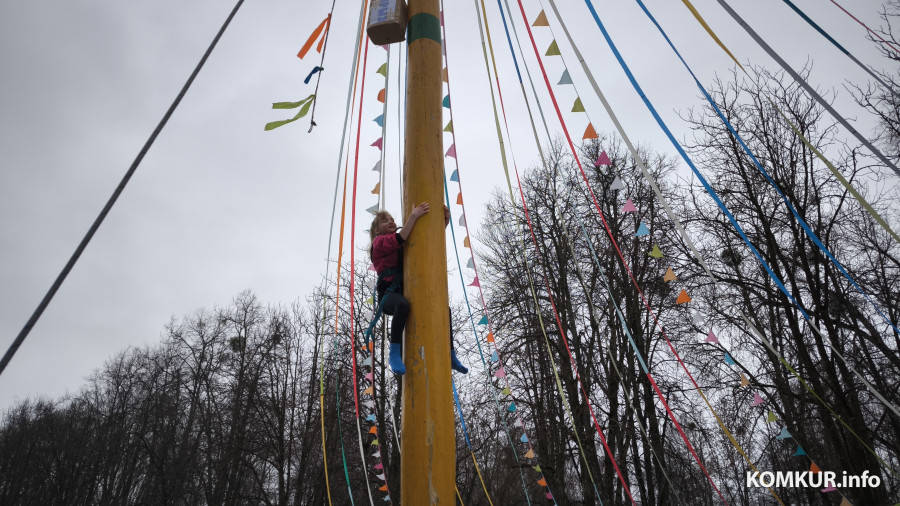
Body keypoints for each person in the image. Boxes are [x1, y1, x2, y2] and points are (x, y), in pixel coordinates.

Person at [369, 202, 468, 375]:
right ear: (377, 230)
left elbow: (421, 243)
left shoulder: (400, 243)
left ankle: (450, 353)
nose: (391, 221)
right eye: (385, 221)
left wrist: (441, 223)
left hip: (405, 292)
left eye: (392, 219)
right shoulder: (379, 243)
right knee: (402, 305)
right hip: (389, 295)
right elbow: (400, 238)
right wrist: (414, 215)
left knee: (446, 310)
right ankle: (394, 353)